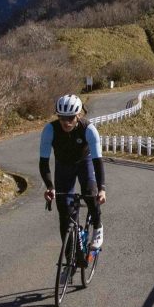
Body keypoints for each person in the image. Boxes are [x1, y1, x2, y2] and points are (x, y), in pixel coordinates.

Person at [41, 94, 106, 253]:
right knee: (64, 213)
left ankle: (97, 227)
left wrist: (102, 188)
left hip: (85, 162)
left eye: (70, 118)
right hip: (63, 165)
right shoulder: (50, 130)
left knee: (91, 194)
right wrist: (50, 187)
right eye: (62, 118)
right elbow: (43, 162)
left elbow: (98, 161)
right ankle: (69, 258)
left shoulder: (88, 129)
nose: (66, 122)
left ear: (78, 115)